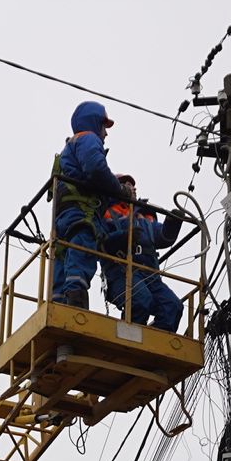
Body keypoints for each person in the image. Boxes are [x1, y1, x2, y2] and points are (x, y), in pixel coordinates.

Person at [51, 101, 125, 307]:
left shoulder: (69, 148)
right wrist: (120, 191)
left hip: (64, 217)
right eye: (104, 127)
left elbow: (89, 181)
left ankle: (58, 303)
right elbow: (95, 169)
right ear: (94, 123)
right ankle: (76, 300)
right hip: (82, 214)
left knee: (62, 255)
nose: (106, 134)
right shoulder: (88, 139)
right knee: (81, 249)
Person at [101, 175, 184, 332]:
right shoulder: (107, 211)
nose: (133, 188)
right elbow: (102, 241)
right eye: (127, 184)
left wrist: (173, 224)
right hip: (122, 272)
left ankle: (156, 344)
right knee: (140, 300)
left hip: (150, 275)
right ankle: (129, 341)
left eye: (133, 186)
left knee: (172, 306)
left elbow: (163, 237)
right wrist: (124, 237)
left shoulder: (144, 215)